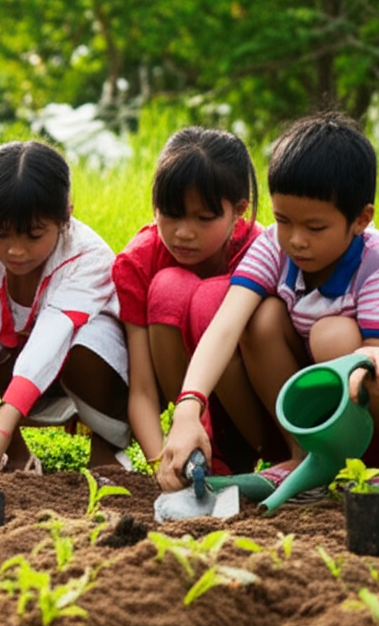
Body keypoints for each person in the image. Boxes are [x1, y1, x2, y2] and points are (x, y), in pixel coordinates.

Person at [158, 113, 379, 505]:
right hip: (320, 405)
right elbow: (225, 327)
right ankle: (300, 456)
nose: (296, 240)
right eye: (283, 220)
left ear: (360, 220)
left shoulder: (378, 262)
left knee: (335, 338)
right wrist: (188, 408)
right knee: (260, 320)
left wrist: (364, 357)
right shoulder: (273, 247)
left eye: (315, 228)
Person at [0, 140, 129, 484]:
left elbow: (50, 340)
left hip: (79, 376)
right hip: (11, 372)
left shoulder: (88, 257)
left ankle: (106, 447)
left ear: (66, 217)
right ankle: (15, 453)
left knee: (88, 343)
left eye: (33, 235)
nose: (15, 250)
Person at [112, 127, 268, 475]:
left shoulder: (259, 253)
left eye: (204, 218)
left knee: (212, 297)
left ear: (238, 211)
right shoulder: (139, 262)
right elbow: (141, 388)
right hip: (183, 412)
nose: (183, 232)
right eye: (171, 213)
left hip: (254, 416)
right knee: (169, 286)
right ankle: (197, 453)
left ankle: (258, 455)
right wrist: (159, 462)